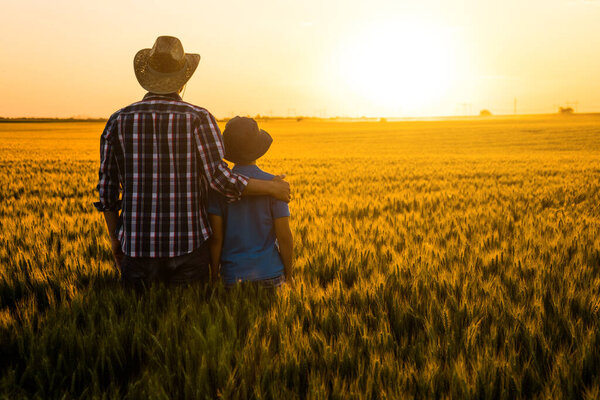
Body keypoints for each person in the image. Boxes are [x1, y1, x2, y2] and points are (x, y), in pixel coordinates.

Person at [94, 36, 290, 291]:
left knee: (140, 326)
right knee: (187, 326)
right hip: (188, 251)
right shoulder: (199, 118)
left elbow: (107, 192)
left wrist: (115, 239)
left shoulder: (117, 121)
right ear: (183, 79)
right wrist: (271, 188)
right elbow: (219, 180)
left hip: (136, 249)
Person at [207, 117, 294, 288]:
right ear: (258, 148)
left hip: (232, 276)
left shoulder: (218, 188)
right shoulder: (275, 186)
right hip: (271, 273)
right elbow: (284, 236)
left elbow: (216, 238)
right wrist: (289, 275)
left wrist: (215, 275)